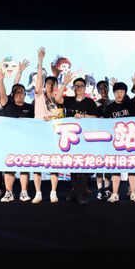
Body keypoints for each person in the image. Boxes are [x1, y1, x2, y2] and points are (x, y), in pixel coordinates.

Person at [55, 75, 99, 204]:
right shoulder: (69, 100)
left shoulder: (90, 102)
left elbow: (96, 117)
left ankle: (81, 194)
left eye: (81, 86)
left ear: (85, 88)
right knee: (73, 165)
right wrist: (64, 83)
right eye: (76, 86)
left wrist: (83, 116)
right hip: (70, 138)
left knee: (82, 166)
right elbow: (57, 99)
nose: (79, 88)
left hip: (84, 138)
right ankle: (74, 191)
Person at [0, 67, 34, 202]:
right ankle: (9, 192)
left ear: (25, 94)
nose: (19, 94)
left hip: (25, 141)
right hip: (9, 141)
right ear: (12, 94)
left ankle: (24, 192)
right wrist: (1, 80)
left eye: (21, 92)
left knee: (24, 167)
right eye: (16, 92)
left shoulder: (31, 108)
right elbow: (2, 93)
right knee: (9, 167)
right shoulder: (7, 104)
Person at [32, 47, 62, 204]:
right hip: (38, 135)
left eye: (52, 83)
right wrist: (40, 61)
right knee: (37, 164)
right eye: (47, 83)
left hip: (53, 135)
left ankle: (53, 192)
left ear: (56, 86)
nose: (49, 85)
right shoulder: (39, 96)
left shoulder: (59, 100)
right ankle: (38, 193)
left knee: (54, 164)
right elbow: (39, 80)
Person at [103, 81, 135, 203]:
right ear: (114, 93)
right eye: (117, 92)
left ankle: (133, 193)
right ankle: (115, 194)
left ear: (125, 93)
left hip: (130, 140)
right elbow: (105, 123)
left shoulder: (129, 104)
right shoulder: (109, 107)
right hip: (116, 142)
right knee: (116, 167)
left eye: (122, 92)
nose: (119, 94)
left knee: (131, 167)